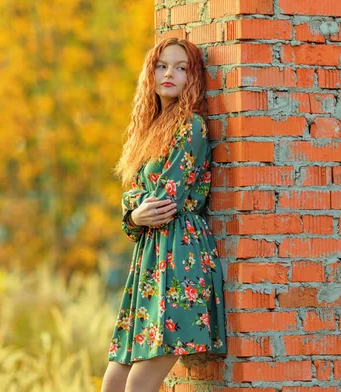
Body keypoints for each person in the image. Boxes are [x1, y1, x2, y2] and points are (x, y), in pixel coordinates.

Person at [100, 38, 227, 392]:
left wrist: (136, 208)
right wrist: (134, 212)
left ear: (193, 78)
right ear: (150, 73)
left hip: (180, 259)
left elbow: (164, 202)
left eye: (181, 67)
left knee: (138, 385)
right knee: (113, 381)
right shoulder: (150, 129)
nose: (169, 73)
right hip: (150, 261)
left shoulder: (192, 127)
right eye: (162, 65)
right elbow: (134, 204)